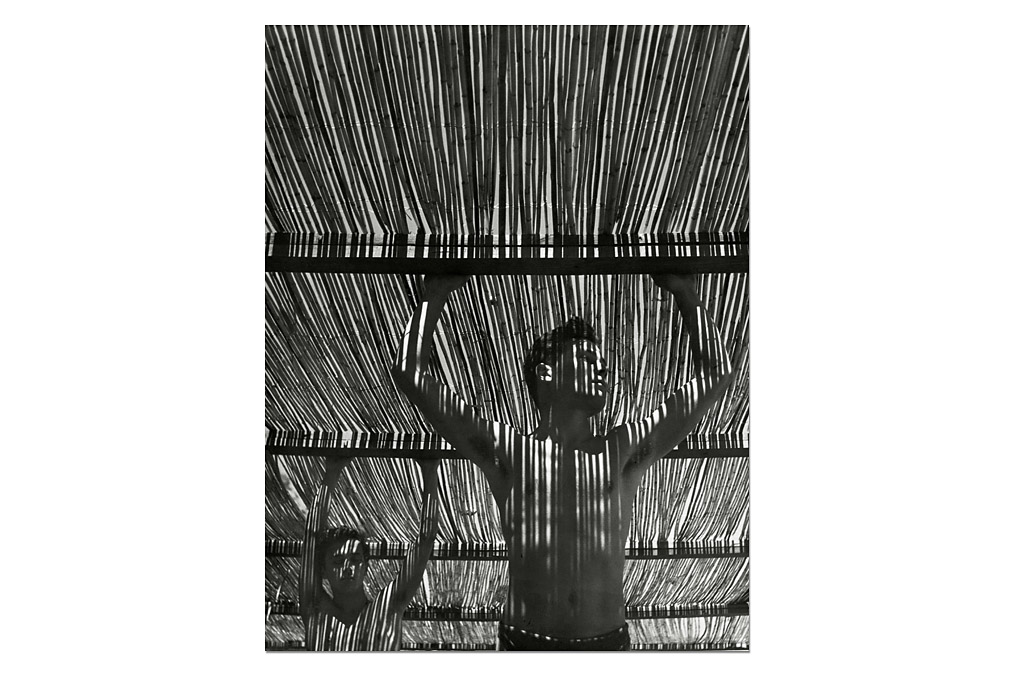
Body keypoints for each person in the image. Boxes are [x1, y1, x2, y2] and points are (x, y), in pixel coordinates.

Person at [391, 274, 735, 651]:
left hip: (605, 646)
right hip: (526, 644)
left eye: (603, 361)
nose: (603, 368)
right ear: (546, 372)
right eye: (588, 358)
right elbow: (411, 373)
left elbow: (716, 375)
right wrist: (436, 293)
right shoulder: (510, 451)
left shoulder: (620, 450)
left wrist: (684, 292)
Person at [299, 456, 440, 651]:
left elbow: (426, 540)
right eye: (338, 561)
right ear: (323, 570)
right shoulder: (317, 610)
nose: (347, 568)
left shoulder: (386, 609)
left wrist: (430, 470)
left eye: (355, 559)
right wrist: (331, 473)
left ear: (366, 566)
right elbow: (311, 537)